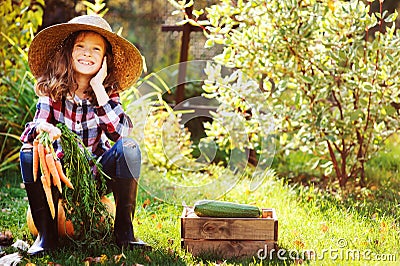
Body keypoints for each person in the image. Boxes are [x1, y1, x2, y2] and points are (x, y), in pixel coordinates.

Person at [19, 14, 148, 255]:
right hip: (60, 176)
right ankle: (46, 236)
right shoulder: (53, 89)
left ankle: (124, 233)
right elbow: (33, 129)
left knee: (129, 147)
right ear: (69, 52)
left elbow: (120, 134)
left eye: (95, 49)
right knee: (28, 152)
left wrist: (99, 90)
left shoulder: (108, 92)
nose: (87, 54)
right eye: (81, 47)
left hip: (95, 177)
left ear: (104, 60)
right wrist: (44, 129)